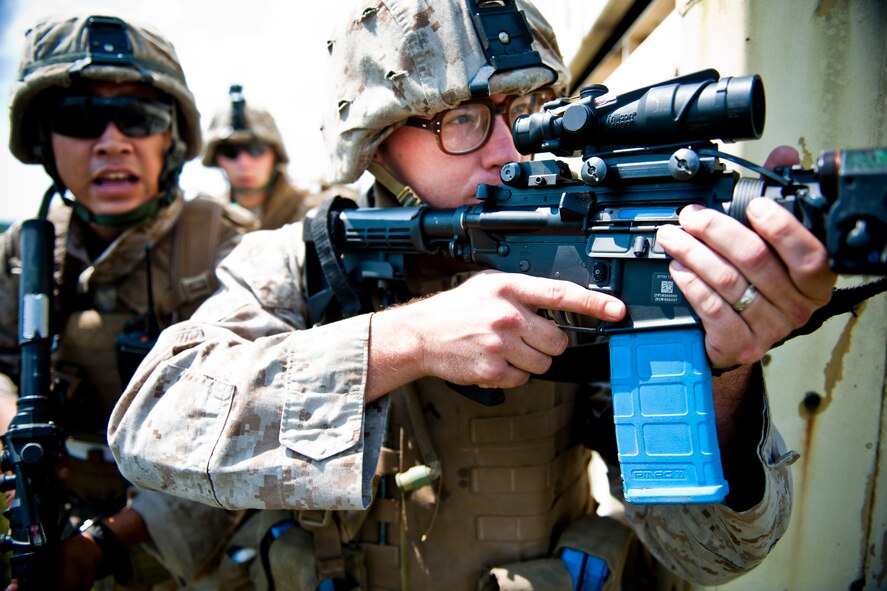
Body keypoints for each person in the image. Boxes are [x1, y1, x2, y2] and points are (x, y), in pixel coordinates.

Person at [108, 1, 836, 589]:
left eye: (526, 109)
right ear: (377, 140)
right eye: (461, 118)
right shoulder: (308, 258)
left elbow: (712, 557)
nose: (508, 149)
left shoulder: (589, 246)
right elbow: (149, 423)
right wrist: (408, 341)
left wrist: (726, 367)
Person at [0, 13, 256, 591]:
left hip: (192, 537)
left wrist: (100, 547)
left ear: (171, 139)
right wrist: (11, 428)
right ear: (45, 139)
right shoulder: (25, 248)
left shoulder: (228, 243)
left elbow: (246, 428)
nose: (112, 142)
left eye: (138, 118)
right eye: (81, 119)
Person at [202, 84, 331, 229]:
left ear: (275, 155)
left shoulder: (317, 211)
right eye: (230, 151)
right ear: (216, 159)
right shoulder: (208, 218)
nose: (243, 162)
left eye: (256, 150)